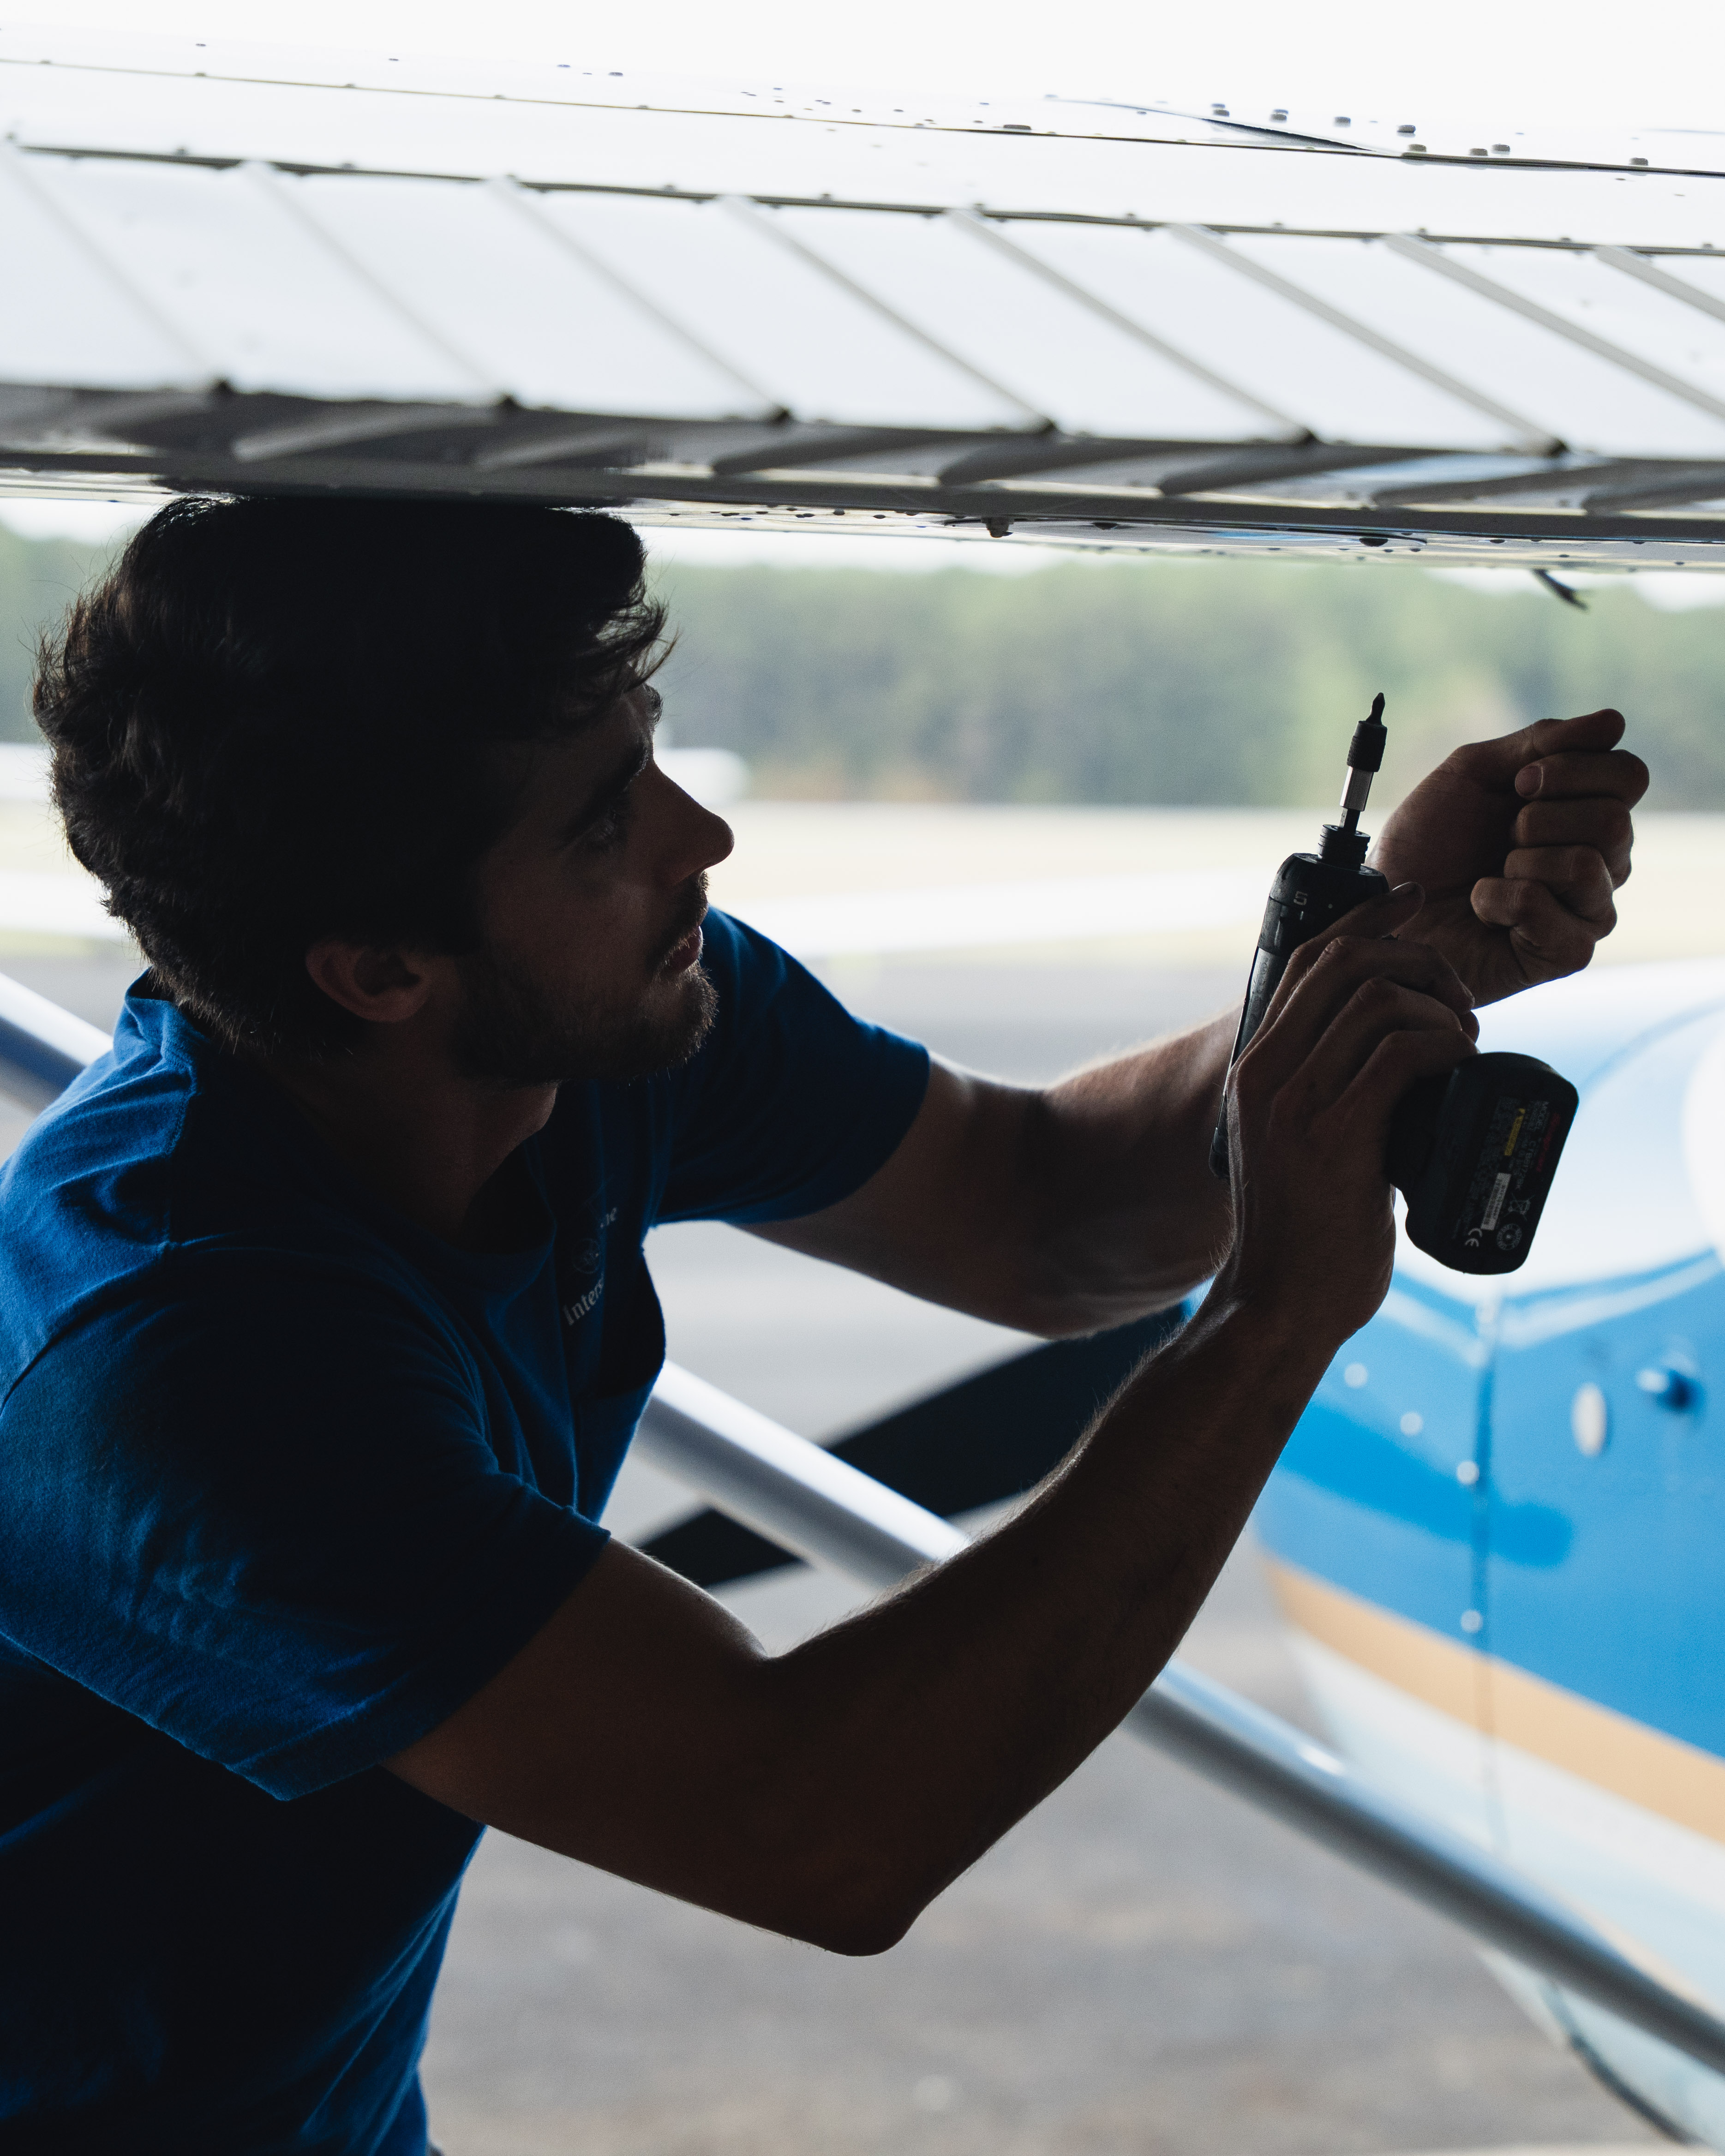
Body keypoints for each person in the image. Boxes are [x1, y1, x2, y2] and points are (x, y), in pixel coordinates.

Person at [0, 497, 1643, 2155]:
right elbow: (812, 1824)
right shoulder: (177, 1360)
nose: (695, 836)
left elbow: (1045, 1207)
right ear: (376, 972)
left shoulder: (593, 1032)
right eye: (601, 823)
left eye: (647, 759)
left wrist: (1372, 970)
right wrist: (1276, 1318)